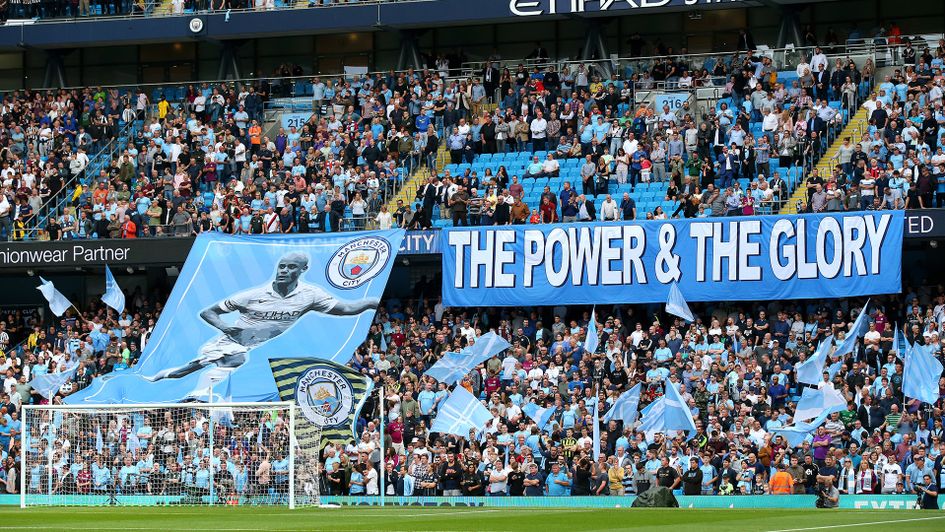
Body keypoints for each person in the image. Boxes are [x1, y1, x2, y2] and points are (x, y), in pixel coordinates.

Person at [146, 252, 379, 381]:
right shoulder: (253, 295)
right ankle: (189, 391)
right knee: (228, 361)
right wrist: (226, 328)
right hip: (233, 341)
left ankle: (173, 380)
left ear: (302, 270)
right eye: (282, 266)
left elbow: (346, 309)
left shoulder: (311, 295)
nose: (284, 271)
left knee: (187, 371)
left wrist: (371, 302)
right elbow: (208, 312)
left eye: (290, 267)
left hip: (253, 345)